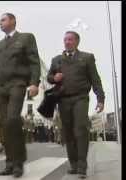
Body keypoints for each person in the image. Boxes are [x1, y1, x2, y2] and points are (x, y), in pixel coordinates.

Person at [0, 12, 41, 178]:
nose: (0, 23)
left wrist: (34, 83)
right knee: (3, 123)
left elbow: (34, 61)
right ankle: (9, 163)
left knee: (13, 119)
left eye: (3, 20)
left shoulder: (26, 38)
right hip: (2, 87)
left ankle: (18, 163)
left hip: (18, 83)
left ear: (13, 21)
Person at [47, 31, 105, 179]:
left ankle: (82, 165)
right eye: (65, 39)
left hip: (80, 98)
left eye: (70, 39)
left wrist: (100, 99)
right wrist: (54, 77)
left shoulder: (87, 58)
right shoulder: (56, 60)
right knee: (68, 132)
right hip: (63, 100)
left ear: (77, 42)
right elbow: (49, 77)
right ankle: (73, 164)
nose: (67, 42)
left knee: (80, 128)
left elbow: (95, 79)